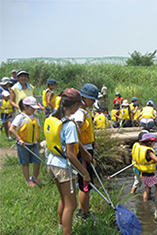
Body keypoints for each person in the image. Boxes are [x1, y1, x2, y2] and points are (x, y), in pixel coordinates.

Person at [44, 88, 92, 235]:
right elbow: (70, 154)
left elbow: (70, 143)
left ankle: (61, 226)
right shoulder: (70, 125)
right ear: (74, 105)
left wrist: (84, 152)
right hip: (63, 167)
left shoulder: (54, 117)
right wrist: (84, 173)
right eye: (79, 104)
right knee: (71, 206)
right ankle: (67, 232)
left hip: (52, 163)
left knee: (64, 199)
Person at [71, 83, 100, 220]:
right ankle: (83, 213)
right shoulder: (79, 114)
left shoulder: (85, 112)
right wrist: (85, 152)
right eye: (92, 99)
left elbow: (84, 132)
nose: (93, 102)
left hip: (88, 147)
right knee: (85, 182)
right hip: (83, 152)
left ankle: (84, 210)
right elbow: (75, 136)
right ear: (83, 98)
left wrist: (93, 141)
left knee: (85, 181)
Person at [9, 96, 41, 187]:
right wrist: (19, 139)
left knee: (37, 160)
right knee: (25, 162)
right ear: (25, 107)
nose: (34, 110)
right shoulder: (20, 117)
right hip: (24, 144)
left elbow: (37, 130)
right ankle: (27, 180)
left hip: (34, 143)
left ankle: (35, 177)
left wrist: (38, 142)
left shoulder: (36, 117)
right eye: (32, 108)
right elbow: (11, 129)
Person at [134, 133, 157, 202]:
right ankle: (156, 201)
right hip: (149, 174)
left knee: (147, 189)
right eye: (153, 143)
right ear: (149, 143)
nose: (154, 144)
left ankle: (145, 202)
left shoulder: (140, 148)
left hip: (142, 173)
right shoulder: (149, 151)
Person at [130, 130, 149, 194]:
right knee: (147, 183)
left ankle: (132, 193)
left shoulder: (136, 145)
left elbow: (132, 153)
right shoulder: (143, 148)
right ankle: (147, 196)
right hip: (141, 168)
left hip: (135, 167)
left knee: (137, 181)